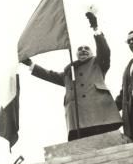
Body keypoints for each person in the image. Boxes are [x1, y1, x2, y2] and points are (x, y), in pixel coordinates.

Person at [21, 10, 122, 140]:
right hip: (78, 118)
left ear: (92, 53)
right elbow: (50, 75)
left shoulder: (98, 63)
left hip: (99, 112)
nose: (83, 50)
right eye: (80, 49)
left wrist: (95, 27)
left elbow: (104, 50)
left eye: (87, 48)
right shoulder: (70, 71)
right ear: (76, 54)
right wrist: (31, 64)